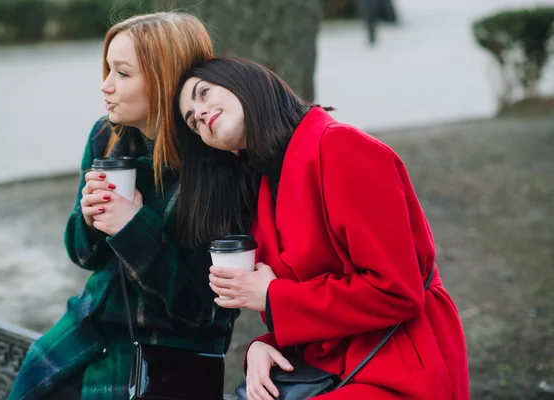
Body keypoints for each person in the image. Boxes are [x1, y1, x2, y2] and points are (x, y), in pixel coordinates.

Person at [174, 58, 470, 400]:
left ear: (246, 82)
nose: (199, 113)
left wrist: (273, 298)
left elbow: (397, 292)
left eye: (204, 93)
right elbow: (312, 304)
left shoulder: (339, 146)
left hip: (402, 362)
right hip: (336, 365)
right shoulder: (266, 185)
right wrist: (263, 346)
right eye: (191, 121)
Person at [7, 14, 245, 400]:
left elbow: (200, 312)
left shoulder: (218, 167)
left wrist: (135, 228)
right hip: (85, 331)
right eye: (107, 70)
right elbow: (82, 255)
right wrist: (88, 217)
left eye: (122, 73)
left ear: (163, 79)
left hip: (164, 357)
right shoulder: (107, 136)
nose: (106, 85)